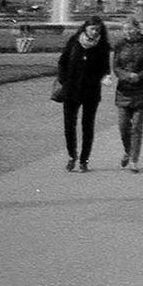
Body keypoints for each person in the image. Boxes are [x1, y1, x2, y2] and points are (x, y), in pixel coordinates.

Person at [57, 16, 112, 172]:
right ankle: (71, 155)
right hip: (71, 89)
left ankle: (84, 159)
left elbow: (106, 67)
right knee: (69, 125)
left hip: (91, 91)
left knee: (87, 126)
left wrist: (105, 76)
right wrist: (64, 80)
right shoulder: (74, 41)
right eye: (92, 29)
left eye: (97, 30)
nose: (94, 32)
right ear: (85, 28)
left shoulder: (102, 46)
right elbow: (62, 62)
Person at [111, 13, 143, 172]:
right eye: (125, 29)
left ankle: (134, 160)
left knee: (137, 125)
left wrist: (139, 76)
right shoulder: (119, 44)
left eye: (130, 29)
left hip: (142, 88)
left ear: (137, 29)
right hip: (124, 89)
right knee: (123, 125)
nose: (128, 32)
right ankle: (127, 150)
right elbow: (116, 66)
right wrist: (126, 75)